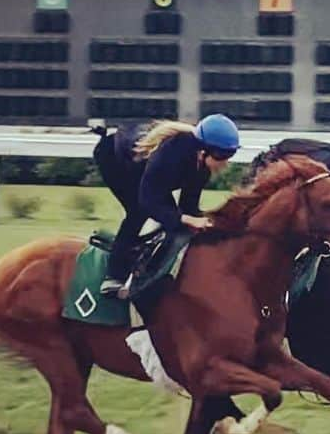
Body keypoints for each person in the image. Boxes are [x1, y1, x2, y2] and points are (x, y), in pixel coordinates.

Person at [92, 113, 240, 298]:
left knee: (175, 220)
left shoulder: (201, 168)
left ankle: (152, 263)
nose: (225, 164)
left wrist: (200, 222)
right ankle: (114, 276)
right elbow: (148, 200)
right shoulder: (172, 152)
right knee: (138, 212)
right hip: (115, 161)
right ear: (204, 152)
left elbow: (188, 207)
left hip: (145, 172)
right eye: (222, 157)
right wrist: (185, 219)